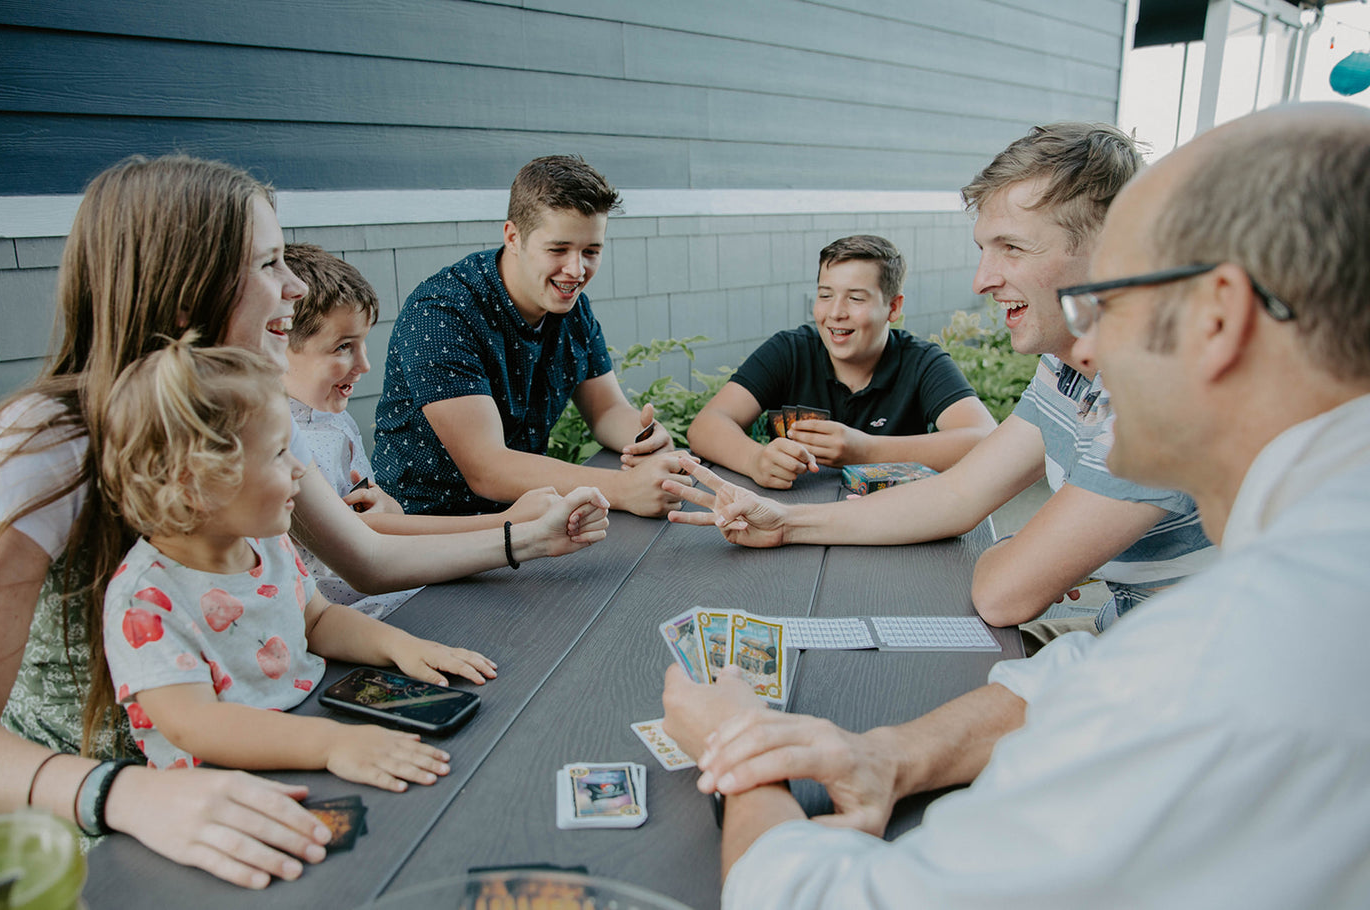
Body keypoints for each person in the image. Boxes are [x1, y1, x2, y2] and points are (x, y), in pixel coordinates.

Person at [663, 102, 1370, 907]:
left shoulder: (1231, 661)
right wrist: (892, 755)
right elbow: (1090, 668)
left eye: (1115, 304)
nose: (1089, 352)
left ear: (1220, 318)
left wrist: (737, 751)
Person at [0, 154, 607, 889]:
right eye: (268, 263)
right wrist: (127, 796)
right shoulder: (45, 439)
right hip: (90, 820)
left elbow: (367, 560)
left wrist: (525, 538)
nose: (293, 286)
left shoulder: (247, 415)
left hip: (251, 755)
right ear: (187, 290)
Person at [669, 123, 1214, 635]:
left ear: (1113, 251)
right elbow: (958, 491)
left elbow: (1004, 594)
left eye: (1013, 248)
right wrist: (785, 522)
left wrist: (1042, 556)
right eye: (984, 249)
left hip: (1190, 680)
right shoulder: (1069, 368)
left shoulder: (1151, 396)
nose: (982, 280)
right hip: (1124, 635)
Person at [100, 340, 494, 787]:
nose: (299, 470)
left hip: (316, 729)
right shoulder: (144, 601)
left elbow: (318, 619)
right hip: (230, 790)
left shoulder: (264, 543)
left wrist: (399, 645)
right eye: (277, 454)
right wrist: (330, 744)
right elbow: (196, 726)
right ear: (193, 483)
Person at [373, 154, 692, 518]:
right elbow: (487, 468)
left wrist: (645, 440)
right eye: (558, 249)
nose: (576, 270)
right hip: (425, 534)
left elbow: (606, 409)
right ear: (513, 237)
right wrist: (624, 489)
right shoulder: (442, 313)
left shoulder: (572, 307)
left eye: (591, 251)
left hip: (530, 523)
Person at [281, 242, 568, 618]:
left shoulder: (329, 416)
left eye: (363, 343)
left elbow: (378, 518)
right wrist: (508, 522)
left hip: (395, 588)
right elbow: (366, 541)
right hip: (358, 615)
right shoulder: (288, 441)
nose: (364, 364)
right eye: (342, 347)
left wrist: (390, 509)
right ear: (276, 343)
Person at [686, 235, 996, 488]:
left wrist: (866, 450)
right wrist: (755, 460)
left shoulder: (922, 362)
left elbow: (985, 441)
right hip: (789, 518)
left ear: (893, 307)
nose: (835, 312)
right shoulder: (790, 350)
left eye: (856, 298)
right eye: (825, 295)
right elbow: (706, 426)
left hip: (892, 527)